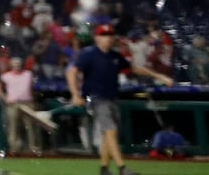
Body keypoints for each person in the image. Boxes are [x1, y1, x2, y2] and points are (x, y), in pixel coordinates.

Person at [67, 23, 175, 175]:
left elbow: (134, 68)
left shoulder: (115, 56)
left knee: (109, 134)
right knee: (111, 130)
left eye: (110, 35)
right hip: (96, 99)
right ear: (97, 38)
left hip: (112, 98)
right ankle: (122, 168)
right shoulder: (89, 54)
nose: (108, 38)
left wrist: (159, 76)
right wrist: (75, 94)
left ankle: (104, 169)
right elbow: (72, 72)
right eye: (104, 35)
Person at [0, 56, 41, 155]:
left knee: (30, 126)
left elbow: (33, 87)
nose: (17, 65)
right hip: (13, 103)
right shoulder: (6, 76)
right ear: (11, 65)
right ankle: (14, 148)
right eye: (15, 64)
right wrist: (5, 98)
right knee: (13, 127)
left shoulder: (28, 74)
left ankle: (34, 148)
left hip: (27, 102)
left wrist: (33, 98)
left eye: (19, 63)